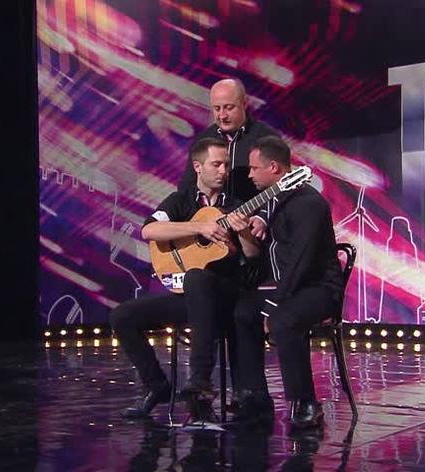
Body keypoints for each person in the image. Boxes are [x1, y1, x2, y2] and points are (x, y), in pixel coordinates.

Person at [110, 137, 259, 422]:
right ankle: (157, 387)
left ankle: (199, 381)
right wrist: (199, 227)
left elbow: (252, 255)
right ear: (198, 167)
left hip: (224, 296)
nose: (223, 171)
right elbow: (149, 231)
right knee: (121, 316)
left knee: (196, 278)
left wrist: (243, 233)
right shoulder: (181, 200)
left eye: (226, 165)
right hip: (190, 298)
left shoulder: (236, 205)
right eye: (216, 164)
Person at [232, 136, 344, 430]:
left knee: (283, 320)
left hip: (317, 288)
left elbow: (301, 264)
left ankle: (306, 402)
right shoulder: (275, 202)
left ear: (274, 167)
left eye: (254, 168)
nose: (250, 174)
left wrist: (273, 304)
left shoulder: (308, 204)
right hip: (288, 286)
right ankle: (255, 395)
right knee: (242, 312)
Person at [179, 78, 279, 206]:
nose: (222, 116)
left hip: (252, 214)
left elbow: (279, 190)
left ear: (244, 104)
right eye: (217, 109)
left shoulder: (268, 139)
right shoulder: (203, 140)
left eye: (229, 108)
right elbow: (186, 188)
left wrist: (261, 216)